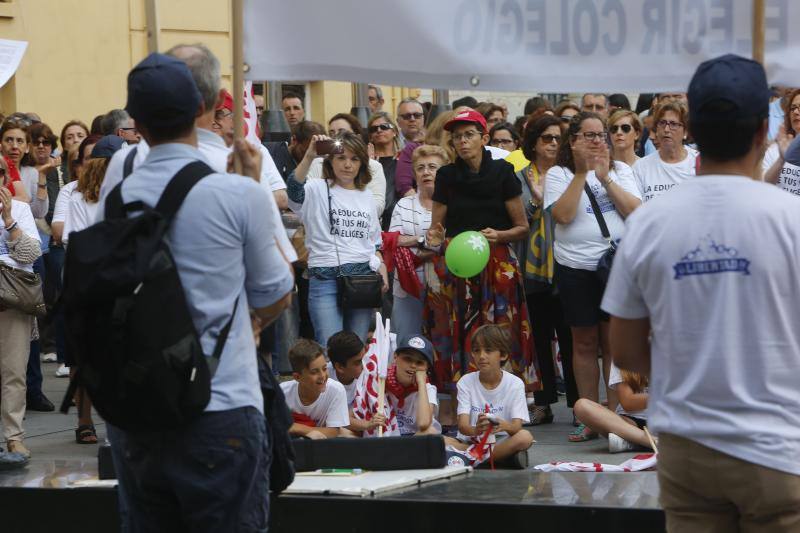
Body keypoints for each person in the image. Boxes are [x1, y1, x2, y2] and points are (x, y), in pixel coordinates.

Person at [603, 54, 800, 532]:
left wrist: (694, 362)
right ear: (761, 133)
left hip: (689, 449)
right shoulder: (791, 220)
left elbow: (626, 349)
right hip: (778, 448)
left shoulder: (650, 222)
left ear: (693, 132)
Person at [105, 53, 294, 532]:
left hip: (136, 405)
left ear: (137, 121)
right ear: (205, 107)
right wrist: (252, 324)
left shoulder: (119, 177)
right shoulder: (237, 187)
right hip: (221, 404)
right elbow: (277, 289)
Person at [543, 112, 641, 442]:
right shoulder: (558, 174)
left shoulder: (621, 170)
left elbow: (636, 211)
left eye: (602, 135)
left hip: (617, 266)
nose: (598, 141)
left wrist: (606, 179)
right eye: (589, 135)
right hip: (576, 268)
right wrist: (583, 174)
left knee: (617, 342)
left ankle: (620, 415)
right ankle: (590, 418)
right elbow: (564, 214)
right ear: (573, 142)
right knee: (584, 342)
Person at [424, 109, 537, 396]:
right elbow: (437, 228)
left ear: (484, 138)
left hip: (496, 260)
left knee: (500, 330)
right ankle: (464, 398)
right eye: (457, 136)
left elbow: (522, 227)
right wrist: (434, 237)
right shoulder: (447, 175)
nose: (462, 142)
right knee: (458, 328)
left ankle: (506, 398)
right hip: (458, 264)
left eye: (468, 135)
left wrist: (498, 235)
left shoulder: (502, 172)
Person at [287, 132, 388, 345]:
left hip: (362, 278)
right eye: (341, 158)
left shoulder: (367, 195)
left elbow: (374, 241)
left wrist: (381, 266)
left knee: (355, 351)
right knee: (330, 347)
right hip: (324, 278)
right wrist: (310, 156)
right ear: (330, 161)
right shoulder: (315, 187)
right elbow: (294, 191)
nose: (347, 165)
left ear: (362, 163)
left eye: (354, 159)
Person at [63, 135, 124, 444]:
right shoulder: (78, 199)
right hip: (86, 287)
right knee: (82, 359)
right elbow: (73, 240)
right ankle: (84, 420)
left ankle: (118, 422)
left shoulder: (126, 197)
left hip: (118, 288)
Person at [515, 115, 576, 425]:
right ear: (534, 143)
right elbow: (516, 219)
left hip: (566, 263)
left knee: (570, 337)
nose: (553, 143)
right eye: (546, 138)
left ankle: (580, 403)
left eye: (557, 138)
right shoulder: (519, 178)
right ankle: (543, 402)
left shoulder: (569, 175)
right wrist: (537, 203)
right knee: (538, 338)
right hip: (532, 266)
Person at [0, 156, 41, 459]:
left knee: (14, 371)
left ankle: (13, 437)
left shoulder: (22, 210)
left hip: (11, 297)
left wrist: (9, 220)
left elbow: (30, 255)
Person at [451, 325, 533, 464]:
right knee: (439, 440)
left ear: (503, 355)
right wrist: (476, 429)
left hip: (501, 440)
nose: (481, 356)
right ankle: (499, 459)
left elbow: (516, 427)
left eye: (488, 350)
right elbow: (463, 427)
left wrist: (502, 425)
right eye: (477, 351)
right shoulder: (465, 382)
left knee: (525, 437)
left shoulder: (515, 384)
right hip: (471, 440)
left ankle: (471, 458)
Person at [388, 145, 443, 338]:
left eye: (432, 167)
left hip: (444, 285)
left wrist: (412, 245)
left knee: (441, 344)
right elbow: (393, 241)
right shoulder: (404, 204)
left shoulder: (452, 204)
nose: (426, 172)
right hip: (407, 287)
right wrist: (423, 240)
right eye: (420, 168)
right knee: (407, 343)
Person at [302, 115, 387, 218]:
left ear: (357, 137)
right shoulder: (318, 164)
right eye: (331, 133)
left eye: (342, 131)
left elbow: (377, 208)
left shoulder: (373, 166)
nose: (337, 136)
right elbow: (303, 200)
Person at [573, 365, 653, 453]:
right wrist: (663, 397)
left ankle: (632, 442)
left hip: (664, 421)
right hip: (630, 423)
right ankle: (651, 442)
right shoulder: (625, 355)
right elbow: (628, 403)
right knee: (582, 406)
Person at [281, 339, 350, 439]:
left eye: (324, 368)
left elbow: (333, 432)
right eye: (314, 372)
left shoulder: (336, 390)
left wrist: (296, 427)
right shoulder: (282, 392)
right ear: (297, 377)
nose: (322, 376)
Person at [632, 102, 697, 203]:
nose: (666, 129)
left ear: (685, 132)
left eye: (673, 124)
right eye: (662, 123)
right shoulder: (641, 167)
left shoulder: (698, 162)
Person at [384, 334, 441, 436]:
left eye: (419, 363)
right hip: (388, 438)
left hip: (415, 439)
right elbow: (353, 416)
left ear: (427, 367)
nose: (413, 365)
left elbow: (423, 424)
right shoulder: (381, 381)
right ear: (395, 357)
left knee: (430, 432)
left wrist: (422, 383)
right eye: (408, 359)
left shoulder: (428, 389)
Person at [367, 111, 400, 229]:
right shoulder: (365, 160)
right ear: (370, 136)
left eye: (384, 127)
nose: (379, 130)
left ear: (394, 132)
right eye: (374, 129)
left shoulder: (403, 159)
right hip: (373, 218)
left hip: (398, 218)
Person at [762, 87, 800, 188]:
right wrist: (781, 159)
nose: (796, 112)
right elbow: (764, 186)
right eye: (793, 108)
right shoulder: (775, 150)